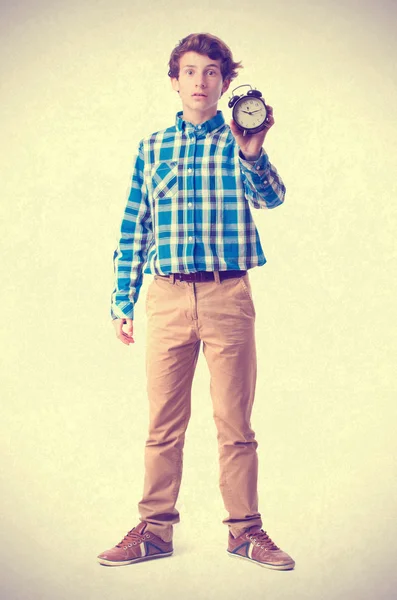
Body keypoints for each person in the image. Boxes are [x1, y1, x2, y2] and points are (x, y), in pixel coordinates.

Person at [97, 32, 295, 571]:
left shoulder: (238, 140)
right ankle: (154, 530)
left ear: (226, 82)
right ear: (174, 81)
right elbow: (133, 227)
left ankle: (245, 532)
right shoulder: (152, 147)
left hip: (228, 293)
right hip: (165, 298)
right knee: (163, 423)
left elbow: (273, 197)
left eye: (211, 72)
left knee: (235, 423)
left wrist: (253, 152)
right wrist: (123, 299)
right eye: (190, 71)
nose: (200, 81)